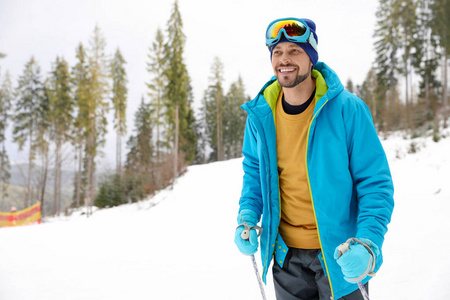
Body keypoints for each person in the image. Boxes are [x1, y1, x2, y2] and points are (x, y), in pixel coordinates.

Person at [234, 17, 394, 300]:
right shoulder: (261, 115)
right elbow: (255, 173)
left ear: (311, 58)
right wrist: (247, 215)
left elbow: (374, 183)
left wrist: (368, 242)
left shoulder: (348, 110)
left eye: (295, 50)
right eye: (278, 51)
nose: (285, 58)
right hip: (285, 259)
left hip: (341, 257)